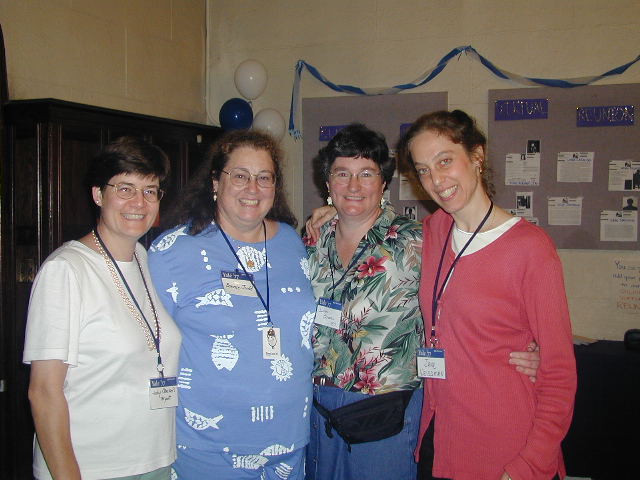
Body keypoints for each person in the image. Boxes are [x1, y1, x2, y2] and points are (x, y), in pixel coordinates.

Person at [303, 124, 540, 480]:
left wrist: (531, 345)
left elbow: (477, 296)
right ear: (328, 182)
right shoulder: (311, 241)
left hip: (385, 410)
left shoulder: (418, 240)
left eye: (366, 174)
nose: (353, 186)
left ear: (384, 183)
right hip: (318, 406)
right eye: (342, 174)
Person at [397, 110, 576, 480]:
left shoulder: (530, 249)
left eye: (445, 161)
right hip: (440, 439)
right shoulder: (433, 230)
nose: (436, 181)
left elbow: (560, 374)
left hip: (505, 450)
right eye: (424, 170)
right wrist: (332, 213)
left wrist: (527, 466)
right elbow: (371, 225)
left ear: (476, 156)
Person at [147, 130, 316, 480]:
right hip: (210, 449)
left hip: (289, 440)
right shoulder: (173, 251)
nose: (252, 188)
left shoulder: (292, 242)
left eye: (264, 177)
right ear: (215, 182)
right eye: (239, 176)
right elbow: (147, 350)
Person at [23, 137, 181, 480]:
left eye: (150, 190)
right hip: (91, 467)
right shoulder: (66, 270)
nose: (139, 202)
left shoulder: (144, 260)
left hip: (154, 460)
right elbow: (44, 392)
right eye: (125, 188)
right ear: (98, 194)